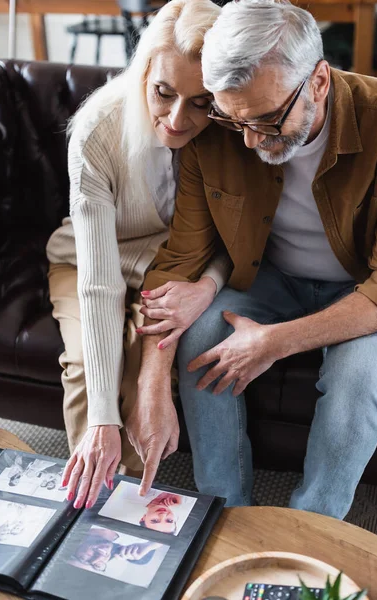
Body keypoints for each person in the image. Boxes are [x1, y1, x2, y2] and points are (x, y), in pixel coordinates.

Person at [134, 0, 377, 518]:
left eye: (268, 120)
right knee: (202, 335)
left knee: (359, 375)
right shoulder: (218, 123)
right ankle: (223, 510)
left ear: (319, 81)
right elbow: (181, 257)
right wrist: (151, 382)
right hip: (268, 279)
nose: (251, 140)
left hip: (363, 289)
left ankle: (310, 527)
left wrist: (272, 344)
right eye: (235, 122)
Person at [47, 0, 230, 509]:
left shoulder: (230, 126)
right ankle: (98, 507)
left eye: (200, 102)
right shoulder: (97, 130)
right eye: (164, 93)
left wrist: (205, 284)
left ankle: (130, 504)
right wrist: (103, 419)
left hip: (174, 266)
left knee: (135, 367)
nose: (177, 119)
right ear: (143, 69)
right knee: (89, 368)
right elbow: (100, 284)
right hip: (88, 261)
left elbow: (237, 237)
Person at [70, 528, 160, 572]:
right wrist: (150, 545)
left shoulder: (84, 519)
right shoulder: (135, 541)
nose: (98, 558)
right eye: (97, 566)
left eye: (84, 559)